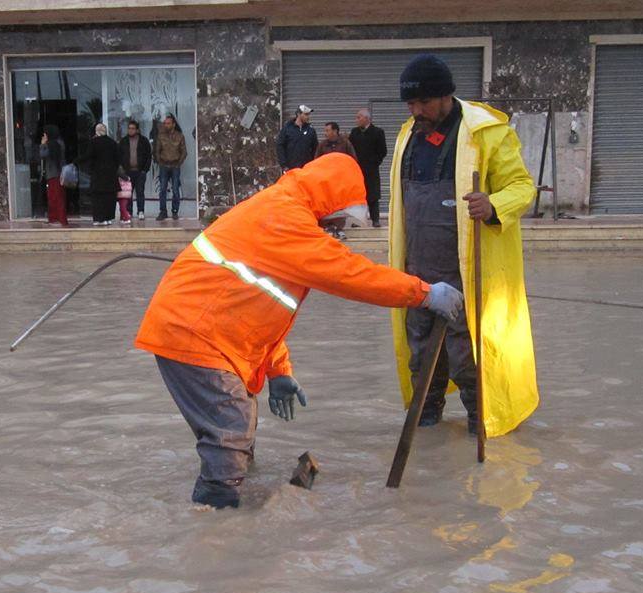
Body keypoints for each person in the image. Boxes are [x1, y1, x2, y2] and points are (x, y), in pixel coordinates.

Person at [135, 153, 463, 510]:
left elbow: (264, 306)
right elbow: (349, 274)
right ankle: (216, 520)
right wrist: (423, 293)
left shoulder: (282, 210)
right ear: (331, 201)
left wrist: (278, 370)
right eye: (338, 220)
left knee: (236, 429)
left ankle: (236, 501)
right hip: (194, 334)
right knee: (231, 428)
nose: (336, 230)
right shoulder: (285, 217)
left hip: (207, 333)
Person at [388, 54, 538, 438]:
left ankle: (480, 421)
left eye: (423, 102)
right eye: (410, 103)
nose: (415, 111)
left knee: (467, 355)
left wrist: (493, 204)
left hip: (465, 270)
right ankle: (426, 421)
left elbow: (522, 187)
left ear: (445, 96)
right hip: (417, 270)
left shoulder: (487, 132)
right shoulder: (408, 135)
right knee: (421, 353)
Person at [349, 109, 388, 228]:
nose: (357, 120)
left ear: (366, 118)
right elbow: (350, 149)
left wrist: (375, 162)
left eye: (359, 117)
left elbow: (383, 151)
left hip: (371, 169)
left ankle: (375, 219)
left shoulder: (377, 132)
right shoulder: (354, 132)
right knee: (358, 196)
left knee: (373, 195)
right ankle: (359, 220)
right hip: (358, 169)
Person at [85, 123, 120, 226]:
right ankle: (108, 218)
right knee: (109, 197)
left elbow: (89, 157)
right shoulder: (112, 143)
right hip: (110, 176)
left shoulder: (93, 142)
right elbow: (117, 159)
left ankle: (99, 219)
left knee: (98, 198)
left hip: (98, 176)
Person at [154, 113, 187, 220]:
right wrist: (160, 162)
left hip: (175, 166)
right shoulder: (161, 136)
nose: (166, 125)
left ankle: (175, 211)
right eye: (165, 123)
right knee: (162, 189)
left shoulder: (180, 136)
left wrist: (178, 163)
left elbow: (184, 152)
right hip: (164, 165)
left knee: (176, 190)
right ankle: (163, 211)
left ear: (173, 124)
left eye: (168, 123)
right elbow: (157, 151)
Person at [118, 119, 152, 219]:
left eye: (133, 128)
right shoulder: (123, 141)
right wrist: (122, 170)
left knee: (140, 192)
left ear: (137, 130)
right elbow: (119, 156)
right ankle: (129, 211)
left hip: (140, 171)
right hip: (127, 172)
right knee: (128, 193)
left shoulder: (143, 141)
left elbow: (148, 156)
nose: (130, 130)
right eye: (129, 128)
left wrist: (145, 170)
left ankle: (141, 211)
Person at [39, 125, 68, 226]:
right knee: (56, 197)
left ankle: (58, 219)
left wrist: (42, 144)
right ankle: (56, 218)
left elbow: (43, 154)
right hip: (58, 173)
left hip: (53, 174)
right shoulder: (60, 143)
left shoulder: (51, 145)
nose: (44, 136)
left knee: (55, 197)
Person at [276, 104, 317, 172]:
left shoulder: (311, 130)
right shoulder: (287, 128)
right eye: (306, 114)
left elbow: (315, 148)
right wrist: (284, 165)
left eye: (308, 115)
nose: (308, 117)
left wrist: (313, 164)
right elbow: (280, 146)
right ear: (298, 114)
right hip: (290, 168)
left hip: (306, 169)